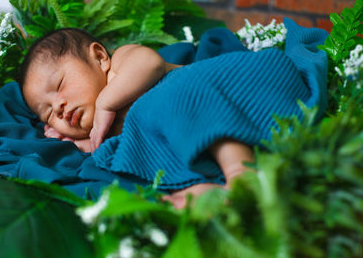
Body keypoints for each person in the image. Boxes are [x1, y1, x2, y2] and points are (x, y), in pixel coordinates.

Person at [20, 28, 254, 208]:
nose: (58, 107)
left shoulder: (120, 64)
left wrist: (105, 103)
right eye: (48, 113)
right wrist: (82, 143)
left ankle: (240, 173)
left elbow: (150, 63)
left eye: (60, 84)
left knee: (188, 101)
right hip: (192, 141)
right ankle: (206, 188)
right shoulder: (105, 132)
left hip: (211, 95)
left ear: (99, 57)